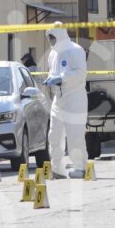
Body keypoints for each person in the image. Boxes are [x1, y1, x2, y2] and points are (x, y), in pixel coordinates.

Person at [44, 22, 89, 179]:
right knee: (53, 135)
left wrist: (60, 79)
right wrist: (51, 78)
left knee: (75, 135)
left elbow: (80, 74)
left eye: (52, 37)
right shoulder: (52, 54)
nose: (50, 40)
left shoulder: (76, 51)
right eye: (49, 37)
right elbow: (52, 71)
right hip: (59, 99)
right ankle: (57, 169)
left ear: (60, 35)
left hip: (75, 98)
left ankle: (80, 167)